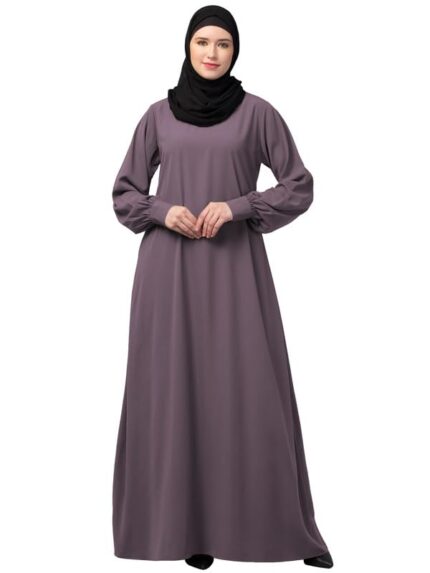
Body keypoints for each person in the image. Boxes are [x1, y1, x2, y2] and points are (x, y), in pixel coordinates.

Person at [111, 4, 334, 570]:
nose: (212, 53)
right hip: (168, 275)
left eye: (224, 44)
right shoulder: (157, 117)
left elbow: (298, 185)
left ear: (235, 52)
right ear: (187, 47)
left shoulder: (258, 114)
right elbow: (124, 193)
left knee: (250, 394)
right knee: (175, 394)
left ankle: (286, 533)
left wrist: (238, 206)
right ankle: (190, 534)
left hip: (236, 270)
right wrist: (162, 211)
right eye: (203, 42)